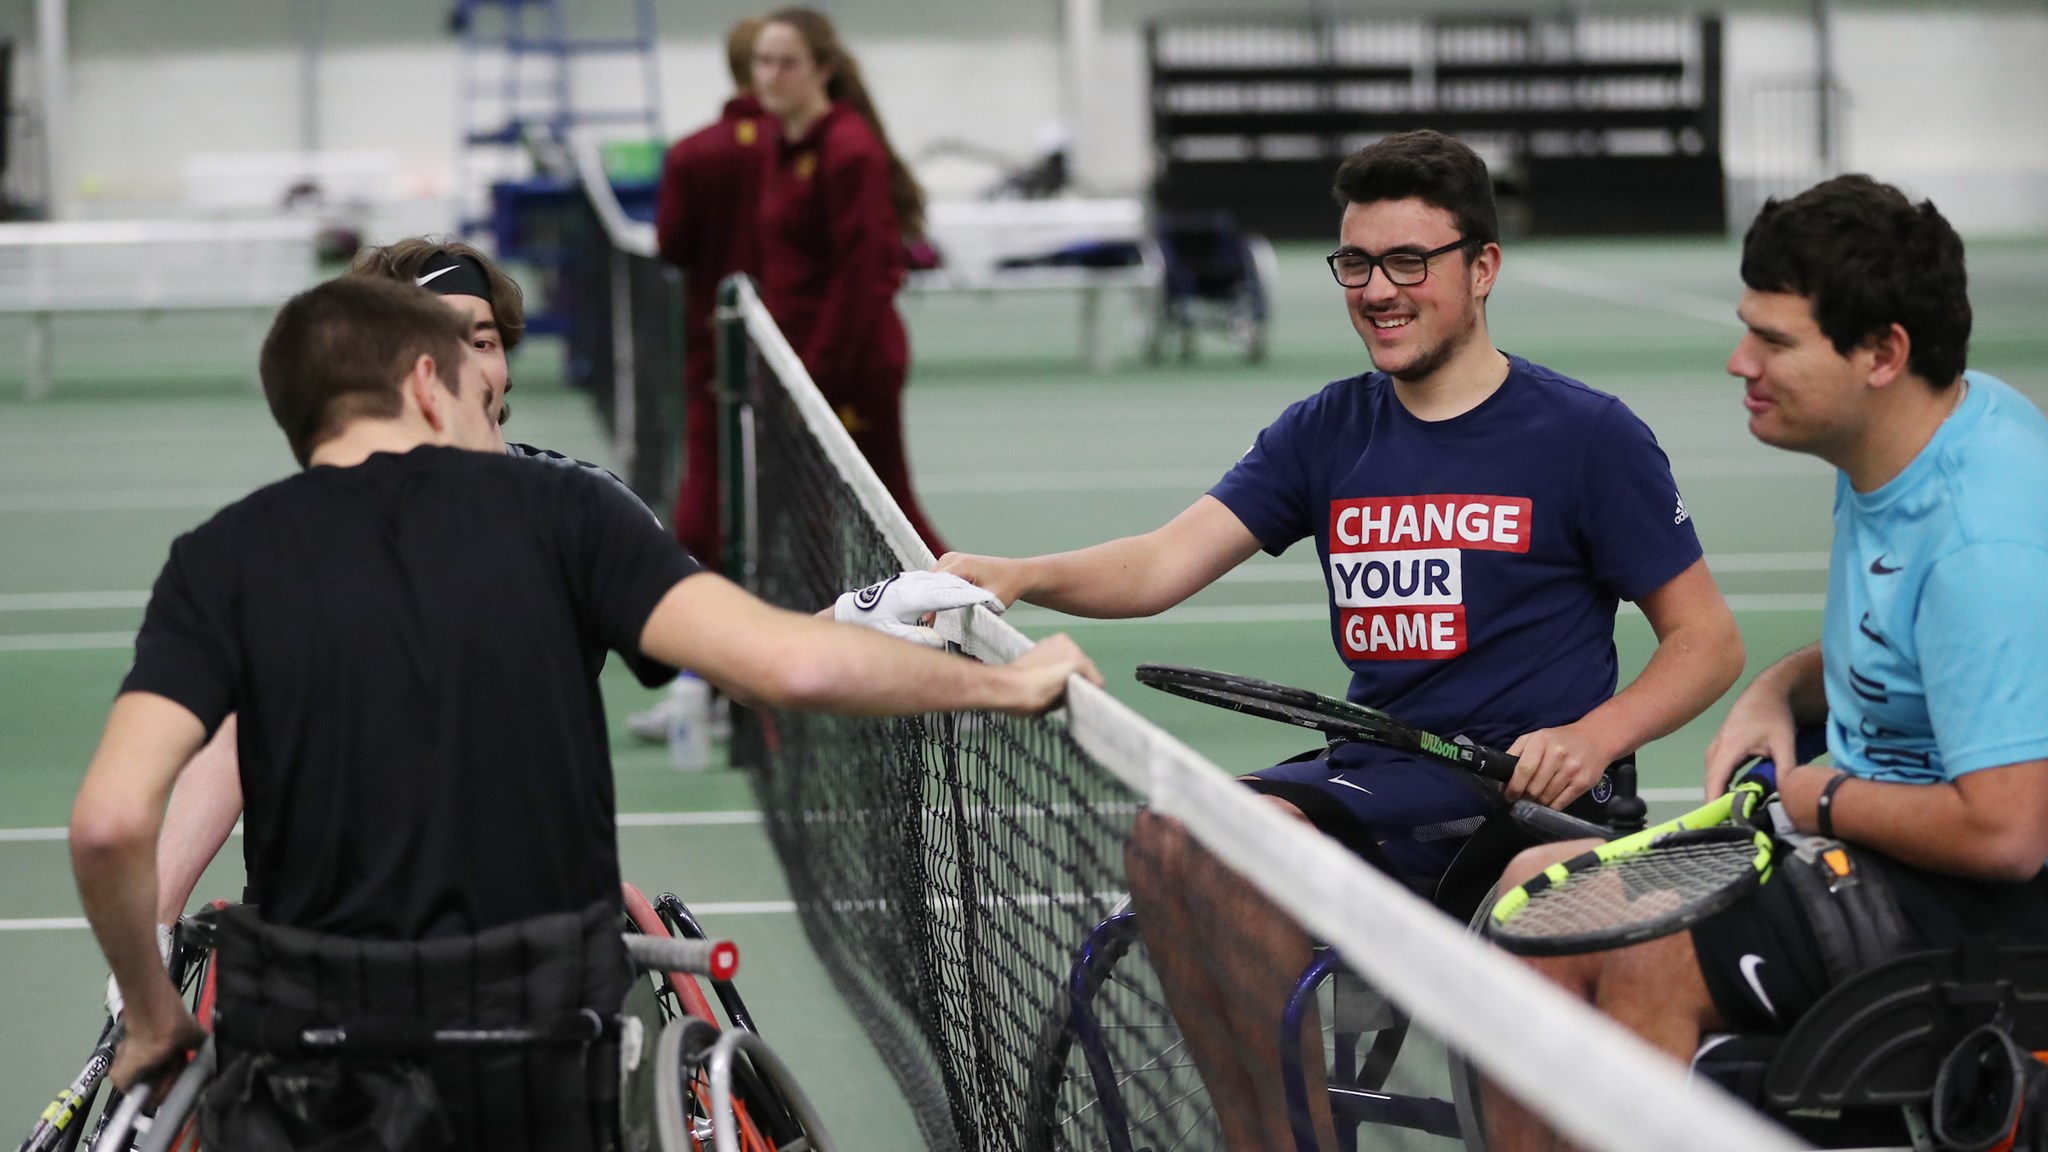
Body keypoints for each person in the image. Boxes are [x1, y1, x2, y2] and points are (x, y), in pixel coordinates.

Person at [71, 277, 1099, 1145]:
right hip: (540, 1029)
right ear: (428, 382)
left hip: (303, 1036)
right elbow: (785, 668)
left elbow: (112, 824)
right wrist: (1001, 684)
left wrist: (155, 1016)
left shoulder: (220, 560)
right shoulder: (569, 513)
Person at [936, 130, 1743, 1150]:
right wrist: (1021, 573)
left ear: (1480, 266)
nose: (1376, 290)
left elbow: (1705, 642)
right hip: (1382, 781)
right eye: (1354, 264)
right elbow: (1158, 563)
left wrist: (1592, 735)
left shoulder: (1585, 436)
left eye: (1408, 262)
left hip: (1526, 803)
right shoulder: (1327, 430)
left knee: (1250, 840)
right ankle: (1276, 1137)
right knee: (1167, 838)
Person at [1486, 175, 2048, 1151]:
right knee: (1526, 897)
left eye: (1774, 342)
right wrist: (1777, 692)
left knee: (1633, 956)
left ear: (1883, 353)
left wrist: (1815, 800)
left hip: (1978, 907)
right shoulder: (1901, 442)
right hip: (1884, 849)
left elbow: (2005, 833)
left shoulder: (1978, 537)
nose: (1737, 361)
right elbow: (1920, 653)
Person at [144, 237, 663, 932]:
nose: (464, 369)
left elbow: (739, 651)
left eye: (482, 341)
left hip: (528, 933)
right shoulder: (291, 545)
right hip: (322, 939)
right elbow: (234, 738)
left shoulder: (587, 510)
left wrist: (846, 616)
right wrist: (156, 915)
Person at [750, 7, 946, 554]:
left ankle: (965, 622)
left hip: (851, 368)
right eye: (762, 62)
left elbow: (861, 279)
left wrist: (816, 379)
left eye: (786, 64)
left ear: (823, 70)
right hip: (798, 364)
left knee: (891, 517)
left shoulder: (847, 150)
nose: (770, 76)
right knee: (814, 521)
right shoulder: (780, 143)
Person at [656, 16, 767, 573]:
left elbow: (671, 244)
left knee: (708, 466)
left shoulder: (692, 154)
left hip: (713, 336)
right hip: (793, 345)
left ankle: (695, 591)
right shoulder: (798, 150)